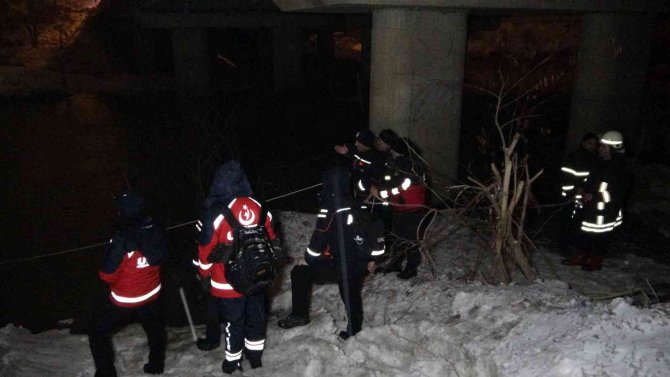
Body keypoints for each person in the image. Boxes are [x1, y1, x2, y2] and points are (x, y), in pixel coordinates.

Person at [277, 166, 384, 340]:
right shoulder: (359, 204)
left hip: (342, 266)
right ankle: (354, 330)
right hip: (361, 265)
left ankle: (299, 316)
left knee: (299, 272)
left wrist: (307, 260)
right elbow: (372, 233)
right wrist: (373, 259)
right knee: (350, 292)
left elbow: (317, 243)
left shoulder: (330, 208)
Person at [193, 160, 277, 374]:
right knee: (256, 317)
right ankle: (255, 357)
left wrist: (204, 276)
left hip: (227, 281)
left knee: (234, 322)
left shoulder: (216, 212)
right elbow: (272, 238)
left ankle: (232, 362)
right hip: (258, 275)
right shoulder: (259, 205)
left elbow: (205, 250)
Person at [88, 192, 167, 377]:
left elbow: (106, 275)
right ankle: (156, 366)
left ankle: (106, 373)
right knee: (155, 329)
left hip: (125, 298)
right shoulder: (156, 231)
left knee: (97, 332)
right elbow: (163, 258)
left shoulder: (121, 239)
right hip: (151, 294)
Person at [563, 131, 632, 271]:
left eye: (604, 147)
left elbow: (618, 193)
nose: (600, 149)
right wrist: (582, 189)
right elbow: (591, 180)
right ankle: (582, 256)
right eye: (601, 146)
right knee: (585, 231)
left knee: (602, 235)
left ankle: (596, 260)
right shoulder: (599, 162)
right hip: (592, 207)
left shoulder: (621, 168)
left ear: (613, 149)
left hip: (607, 210)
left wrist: (595, 197)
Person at [370, 137, 429, 279]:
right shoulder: (398, 163)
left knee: (410, 239)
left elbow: (401, 188)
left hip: (412, 208)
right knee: (398, 237)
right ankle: (395, 264)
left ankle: (411, 268)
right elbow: (392, 183)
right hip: (401, 208)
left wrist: (381, 193)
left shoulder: (410, 166)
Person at [558, 133, 600, 252]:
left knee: (577, 221)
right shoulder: (576, 156)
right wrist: (573, 191)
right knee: (568, 219)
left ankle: (572, 243)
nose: (592, 146)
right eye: (589, 143)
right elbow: (567, 176)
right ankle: (564, 245)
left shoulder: (594, 158)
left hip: (584, 195)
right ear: (583, 143)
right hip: (572, 194)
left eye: (595, 144)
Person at [334, 128, 385, 200]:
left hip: (370, 197)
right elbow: (356, 154)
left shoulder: (375, 157)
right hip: (358, 194)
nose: (356, 144)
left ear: (365, 144)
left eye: (358, 142)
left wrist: (348, 153)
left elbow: (363, 160)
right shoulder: (360, 152)